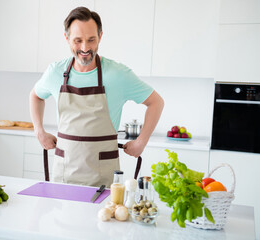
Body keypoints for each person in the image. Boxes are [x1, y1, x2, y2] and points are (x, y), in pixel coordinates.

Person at [30, 7, 164, 187]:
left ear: (100, 36)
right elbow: (36, 96)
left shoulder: (118, 74)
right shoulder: (55, 72)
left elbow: (156, 102)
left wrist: (141, 142)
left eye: (91, 40)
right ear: (67, 38)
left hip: (103, 178)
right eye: (78, 40)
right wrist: (39, 131)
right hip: (64, 175)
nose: (85, 48)